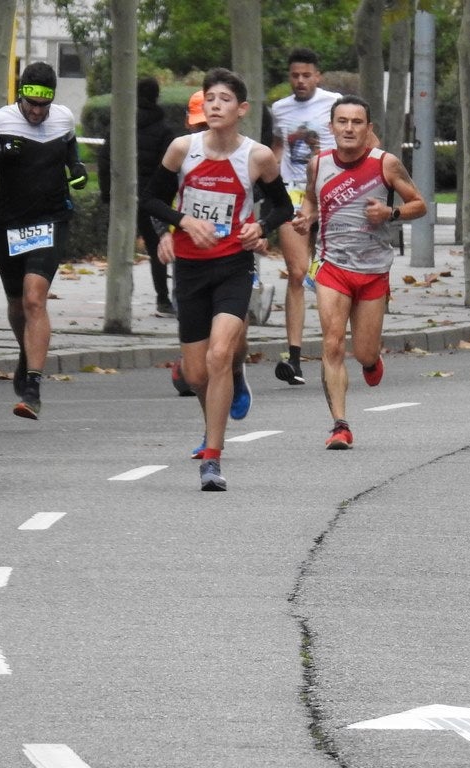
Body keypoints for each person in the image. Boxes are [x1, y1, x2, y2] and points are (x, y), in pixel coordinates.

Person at [141, 67, 292, 491]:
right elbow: (150, 198)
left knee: (218, 354)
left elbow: (283, 207)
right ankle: (227, 393)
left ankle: (212, 456)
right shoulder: (181, 150)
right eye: (209, 99)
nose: (215, 105)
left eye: (224, 99)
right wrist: (182, 221)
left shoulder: (257, 156)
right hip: (190, 269)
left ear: (241, 109)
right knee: (195, 374)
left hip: (232, 267)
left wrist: (260, 228)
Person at [291, 95, 425, 450]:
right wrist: (307, 216)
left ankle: (370, 360)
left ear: (368, 129)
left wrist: (390, 214)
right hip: (332, 267)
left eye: (356, 122)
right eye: (342, 121)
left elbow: (419, 204)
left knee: (363, 352)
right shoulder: (318, 165)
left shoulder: (386, 164)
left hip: (373, 271)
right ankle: (340, 425)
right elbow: (311, 199)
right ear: (332, 126)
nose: (349, 128)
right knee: (332, 343)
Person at [0, 61, 89, 419]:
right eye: (30, 104)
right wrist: (0, 155)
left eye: (43, 105)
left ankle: (33, 386)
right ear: (20, 95)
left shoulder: (63, 117)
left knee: (36, 299)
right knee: (18, 304)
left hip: (51, 218)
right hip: (10, 222)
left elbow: (70, 148)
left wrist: (77, 169)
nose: (37, 112)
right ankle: (27, 352)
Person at [270, 48, 342, 385]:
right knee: (298, 273)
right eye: (294, 75)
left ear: (318, 76)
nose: (300, 81)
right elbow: (277, 150)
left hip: (330, 194)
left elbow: (359, 140)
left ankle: (339, 347)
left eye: (306, 75)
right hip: (292, 196)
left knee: (334, 275)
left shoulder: (335, 103)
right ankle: (294, 359)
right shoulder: (280, 109)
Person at [98, 76, 176, 316]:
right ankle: (162, 300)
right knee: (156, 249)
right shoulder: (164, 131)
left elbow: (104, 160)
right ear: (156, 97)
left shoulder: (119, 125)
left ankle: (120, 298)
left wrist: (107, 192)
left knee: (121, 247)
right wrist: (163, 201)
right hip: (151, 199)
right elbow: (168, 169)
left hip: (122, 196)